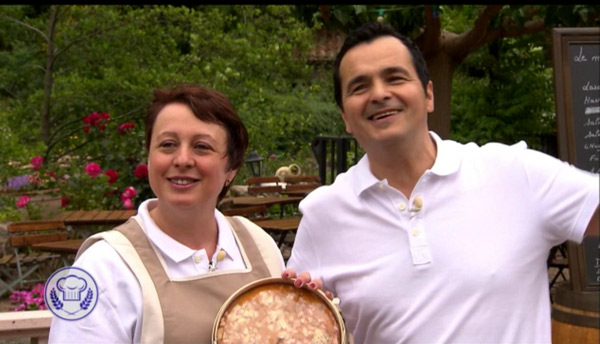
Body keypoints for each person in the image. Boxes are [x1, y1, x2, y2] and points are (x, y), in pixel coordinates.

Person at [285, 22, 599, 343]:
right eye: (359, 87)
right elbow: (290, 327)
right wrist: (302, 314)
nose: (379, 94)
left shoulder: (515, 173)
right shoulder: (323, 215)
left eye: (395, 78)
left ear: (429, 95)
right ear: (344, 117)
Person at [49, 84, 285, 343]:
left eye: (202, 147)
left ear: (232, 168)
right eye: (168, 144)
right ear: (149, 158)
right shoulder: (103, 265)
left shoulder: (259, 247)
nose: (183, 159)